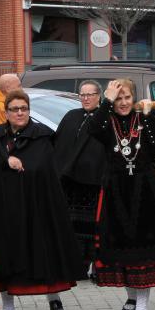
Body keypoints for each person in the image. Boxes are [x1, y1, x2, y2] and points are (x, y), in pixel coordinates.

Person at [0, 89, 84, 310]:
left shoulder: (43, 136)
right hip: (5, 208)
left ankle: (54, 300)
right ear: (5, 113)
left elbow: (49, 170)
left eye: (24, 109)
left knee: (44, 252)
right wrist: (5, 160)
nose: (20, 113)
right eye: (14, 109)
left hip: (37, 205)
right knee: (5, 257)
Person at [86, 79, 155, 310]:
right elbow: (92, 130)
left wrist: (149, 116)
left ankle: (142, 306)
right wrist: (106, 100)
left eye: (127, 97)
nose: (123, 103)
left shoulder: (144, 119)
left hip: (145, 190)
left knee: (144, 247)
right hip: (116, 191)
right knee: (122, 247)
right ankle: (130, 297)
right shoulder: (107, 122)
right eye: (118, 98)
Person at [52, 80, 106, 272]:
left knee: (91, 226)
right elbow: (59, 145)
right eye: (82, 95)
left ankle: (93, 263)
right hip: (70, 183)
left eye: (90, 94)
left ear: (99, 96)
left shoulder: (104, 117)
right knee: (72, 225)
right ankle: (74, 263)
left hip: (93, 182)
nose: (85, 98)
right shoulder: (71, 116)